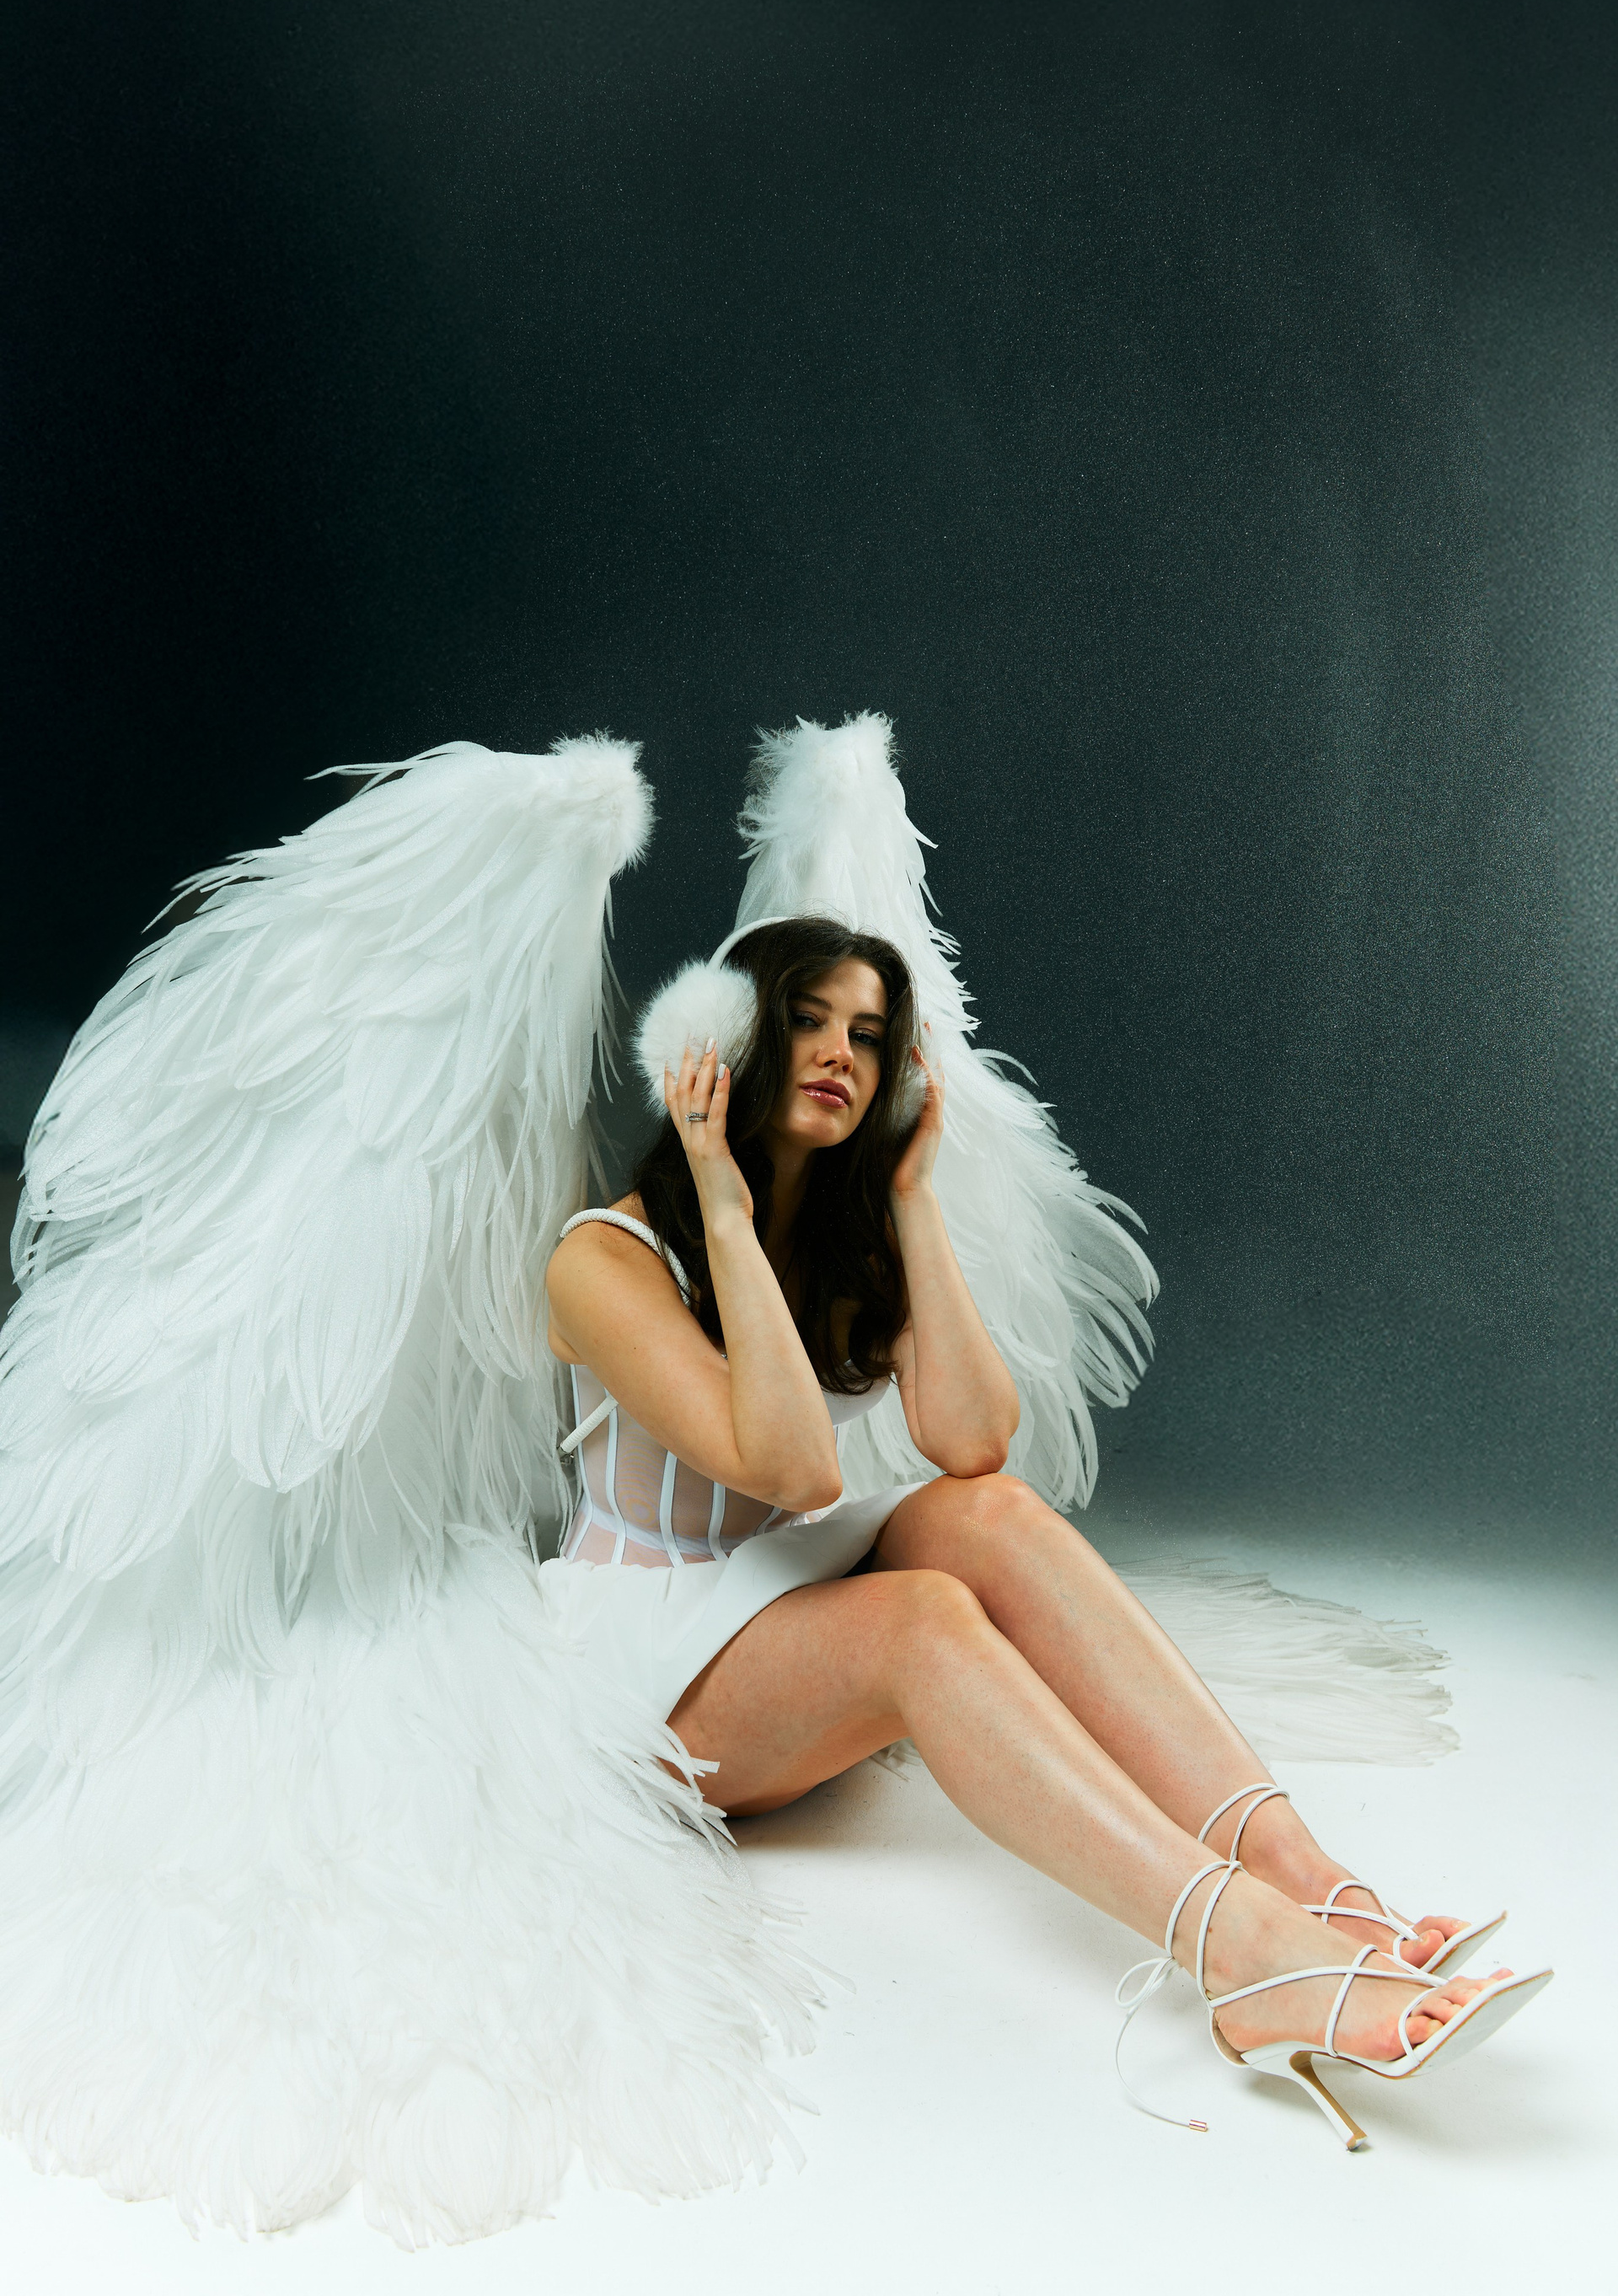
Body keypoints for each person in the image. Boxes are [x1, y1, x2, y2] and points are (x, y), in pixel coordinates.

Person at [546, 910, 1547, 2152]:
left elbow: (974, 1443)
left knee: (991, 1517)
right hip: (644, 1668)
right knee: (922, 1620)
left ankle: (1313, 1885)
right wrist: (724, 1206)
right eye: (806, 1021)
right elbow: (795, 1468)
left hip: (768, 1595)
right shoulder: (605, 1259)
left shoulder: (842, 1244)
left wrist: (911, 1198)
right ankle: (1248, 1958)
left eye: (870, 1035)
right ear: (726, 1040)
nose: (842, 1054)